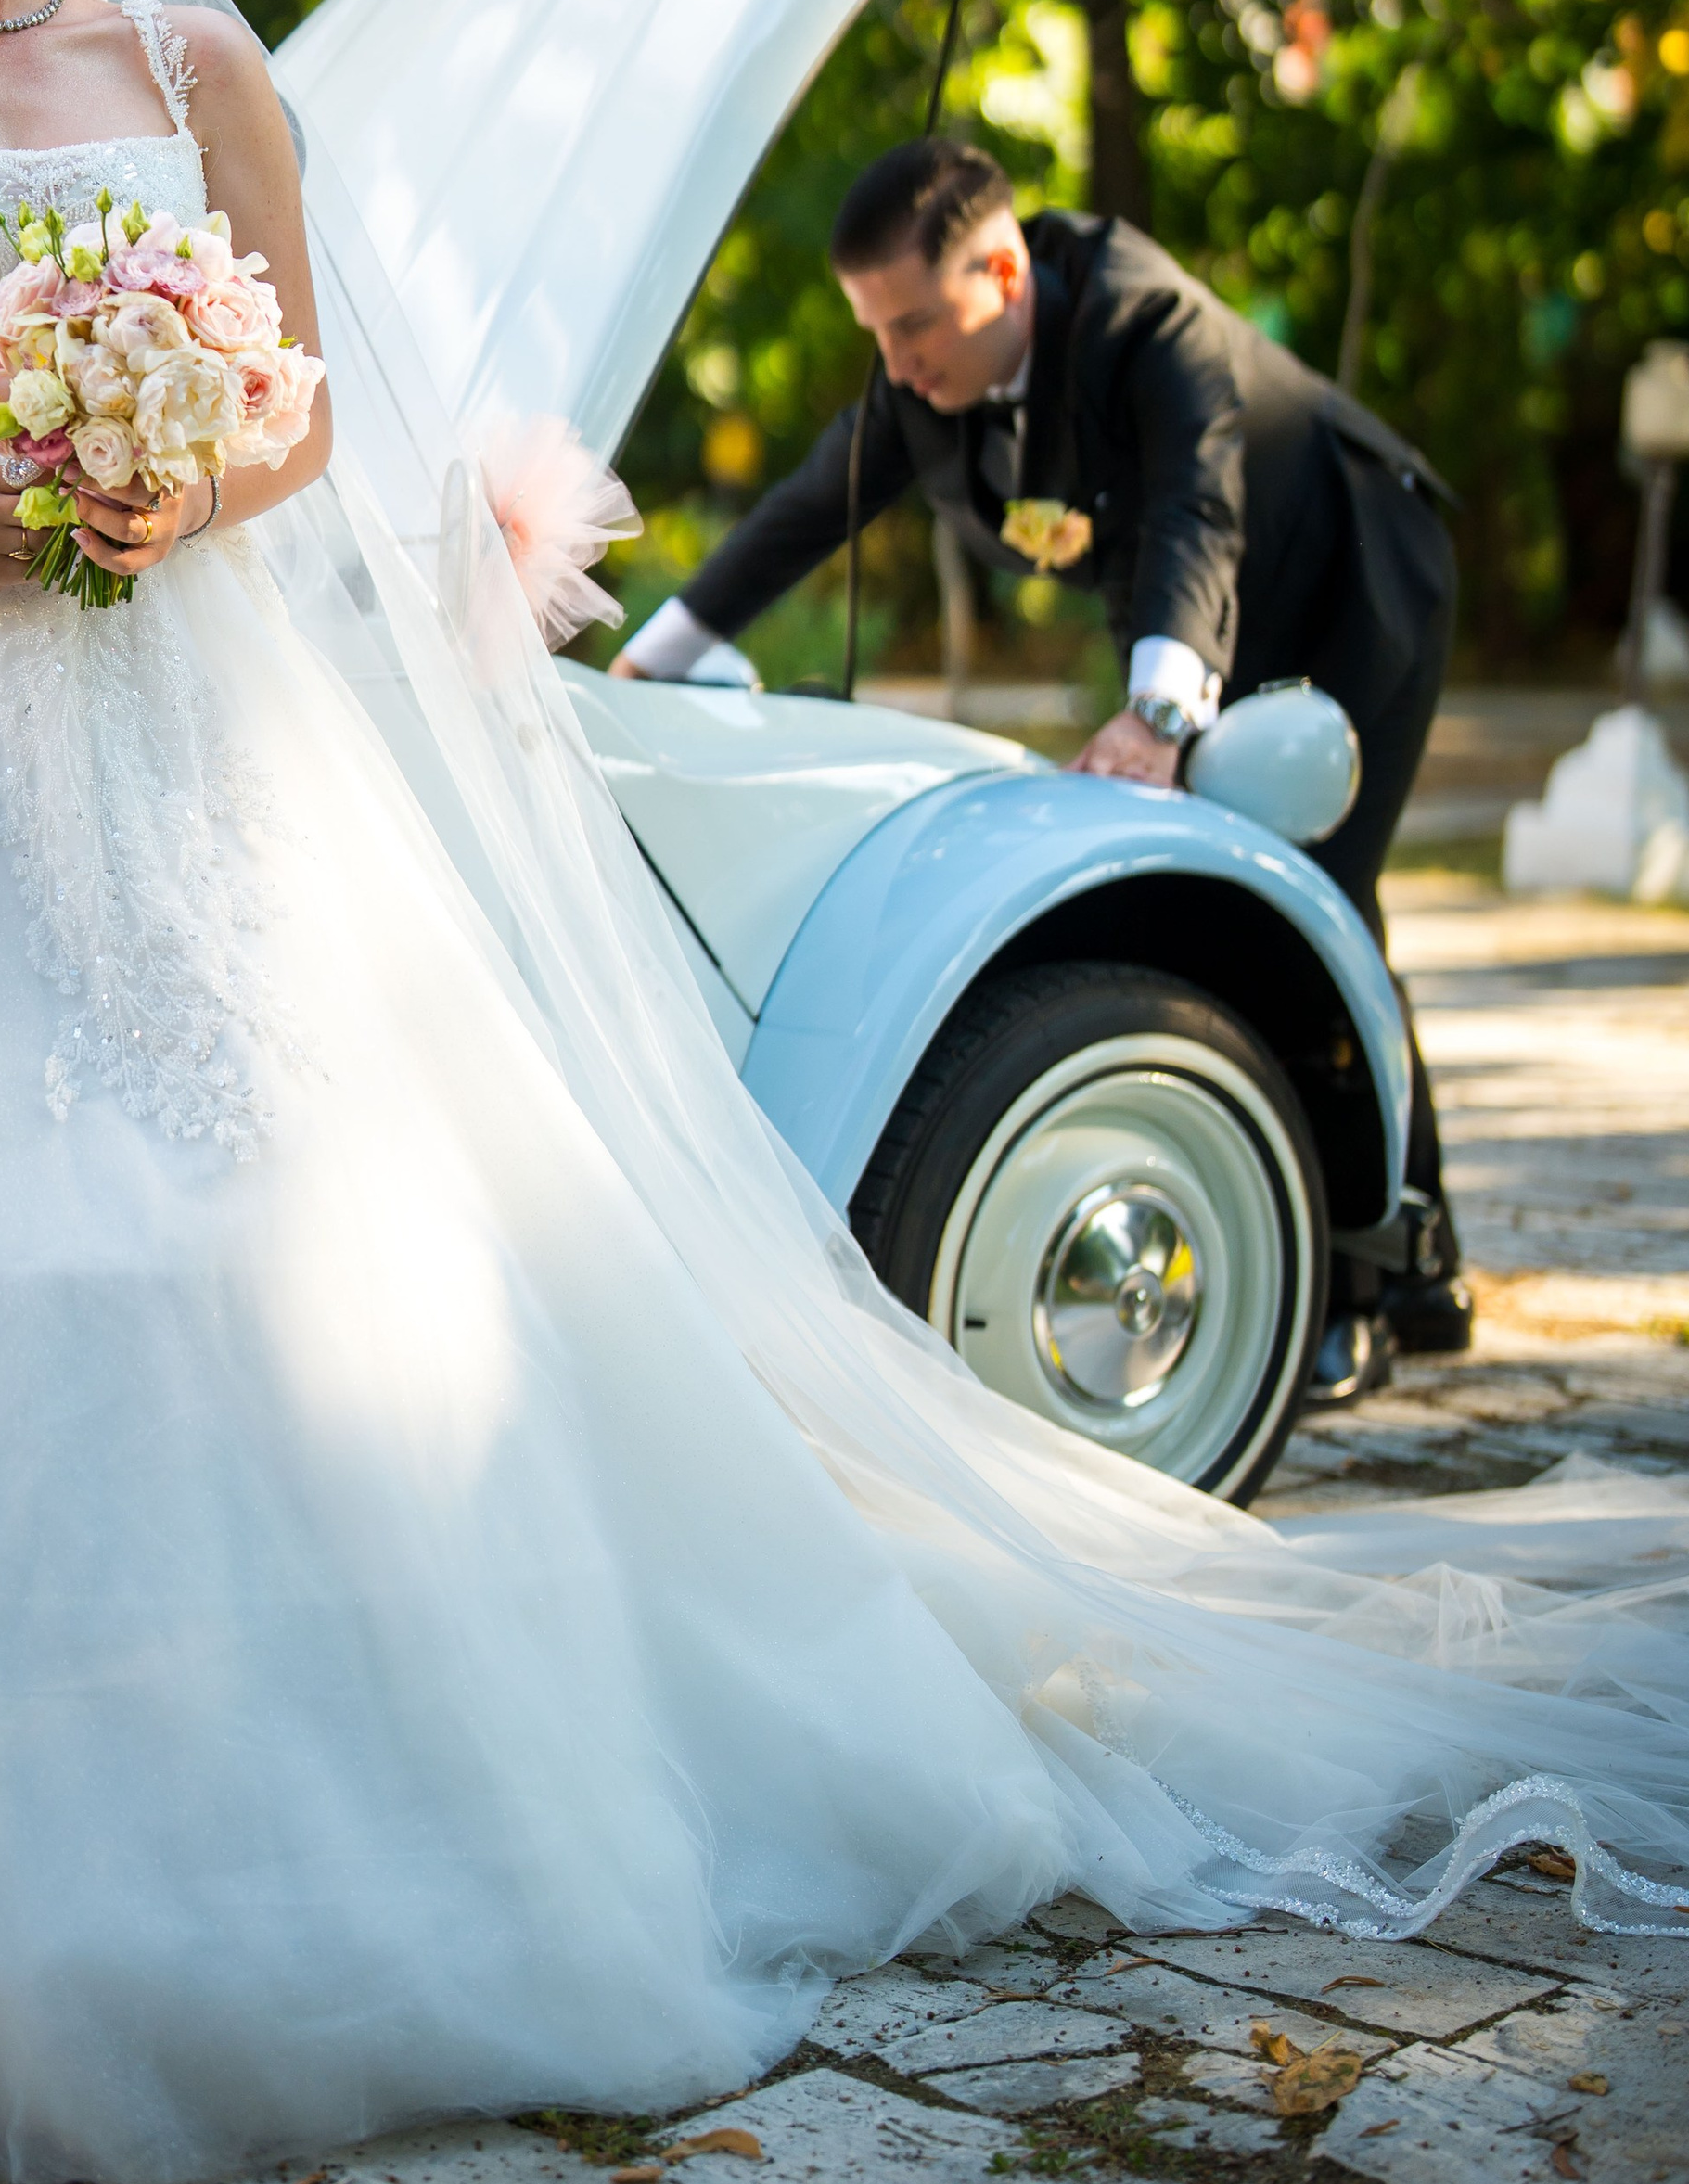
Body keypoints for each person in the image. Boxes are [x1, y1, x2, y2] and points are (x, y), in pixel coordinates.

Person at [0, 0, 1689, 2184]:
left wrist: (174, 470)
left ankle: (319, 1867)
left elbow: (299, 423)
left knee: (284, 1257)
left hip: (172, 726)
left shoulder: (195, 78)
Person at [617, 138, 1466, 1403]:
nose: (896, 361)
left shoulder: (1144, 313)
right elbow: (806, 510)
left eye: (912, 324)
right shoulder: (926, 382)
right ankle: (1367, 1264)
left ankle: (1385, 1286)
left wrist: (1159, 717)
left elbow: (1197, 509)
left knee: (1320, 907)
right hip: (1212, 618)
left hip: (1354, 582)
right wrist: (650, 663)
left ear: (1003, 270)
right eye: (876, 333)